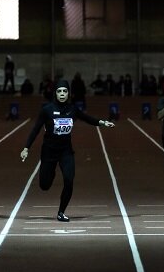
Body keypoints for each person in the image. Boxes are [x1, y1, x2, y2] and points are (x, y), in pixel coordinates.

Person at [20, 79, 115, 222]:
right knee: (44, 185)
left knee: (69, 180)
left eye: (65, 91)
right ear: (55, 93)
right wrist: (26, 148)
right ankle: (50, 172)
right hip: (49, 152)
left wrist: (102, 122)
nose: (62, 94)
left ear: (68, 93)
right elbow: (35, 129)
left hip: (66, 151)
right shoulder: (47, 110)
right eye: (59, 91)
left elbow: (86, 118)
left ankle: (61, 212)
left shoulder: (72, 109)